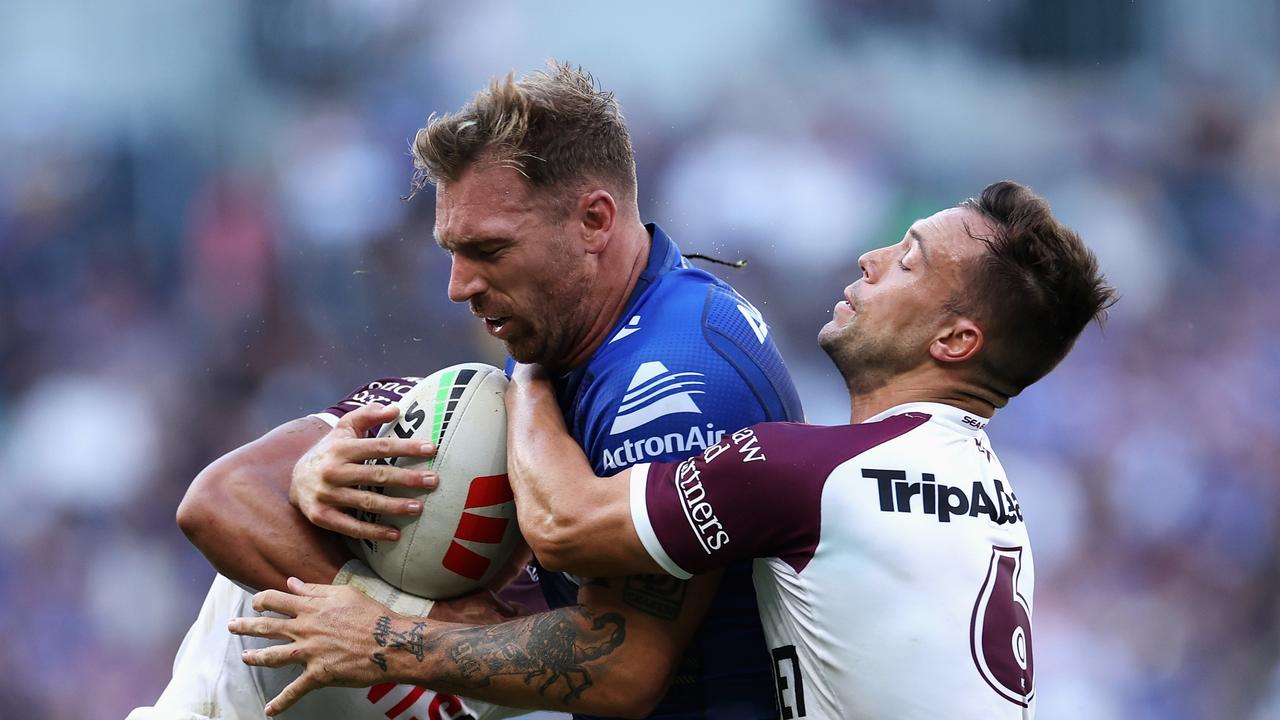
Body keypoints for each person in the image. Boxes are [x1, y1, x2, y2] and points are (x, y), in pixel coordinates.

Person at [230, 181, 1115, 720]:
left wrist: (535, 356)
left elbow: (570, 529)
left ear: (957, 342)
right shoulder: (991, 495)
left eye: (911, 260)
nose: (873, 255)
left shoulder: (807, 474)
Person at [135, 61, 801, 720]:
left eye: (489, 250)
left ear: (594, 222)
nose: (459, 286)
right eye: (451, 250)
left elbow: (622, 667)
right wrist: (315, 473)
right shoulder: (558, 340)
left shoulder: (675, 380)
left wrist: (383, 635)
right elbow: (219, 501)